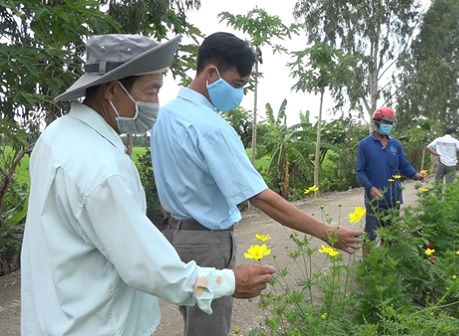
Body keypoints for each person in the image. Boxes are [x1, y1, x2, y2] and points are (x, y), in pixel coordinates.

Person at [20, 34, 276, 336]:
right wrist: (229, 282)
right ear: (113, 90)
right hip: (98, 324)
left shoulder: (56, 136)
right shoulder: (103, 170)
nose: (156, 103)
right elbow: (148, 267)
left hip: (54, 318)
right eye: (151, 91)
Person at [150, 32, 363, 336]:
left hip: (174, 238)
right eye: (237, 84)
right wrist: (327, 232)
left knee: (192, 322)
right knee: (208, 330)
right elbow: (260, 197)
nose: (239, 94)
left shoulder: (166, 116)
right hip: (208, 244)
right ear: (212, 73)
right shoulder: (211, 127)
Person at [356, 106, 426, 259]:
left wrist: (416, 174)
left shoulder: (396, 145)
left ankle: (385, 262)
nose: (388, 125)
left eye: (391, 123)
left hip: (393, 198)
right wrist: (370, 188)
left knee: (390, 234)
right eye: (385, 122)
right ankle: (367, 266)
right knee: (370, 235)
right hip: (374, 200)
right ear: (377, 122)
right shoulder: (365, 145)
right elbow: (360, 171)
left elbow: (404, 165)